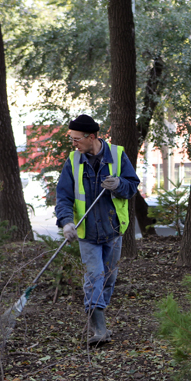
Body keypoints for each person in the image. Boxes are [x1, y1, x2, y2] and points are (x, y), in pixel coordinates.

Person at [55, 114, 139, 345]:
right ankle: (99, 330)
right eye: (71, 139)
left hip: (113, 230)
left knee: (109, 279)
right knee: (94, 277)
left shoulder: (118, 155)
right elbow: (63, 196)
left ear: (91, 136)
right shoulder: (73, 161)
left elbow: (132, 186)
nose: (73, 143)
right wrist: (66, 222)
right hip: (87, 234)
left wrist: (120, 185)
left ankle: (98, 321)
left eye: (76, 139)